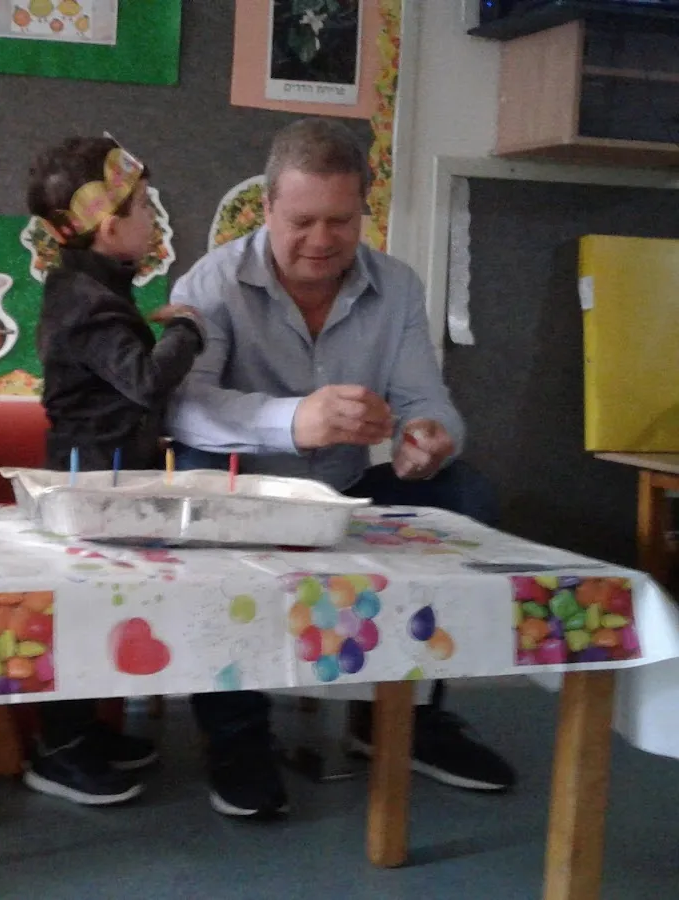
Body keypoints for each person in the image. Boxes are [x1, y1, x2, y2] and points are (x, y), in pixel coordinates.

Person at [165, 117, 516, 820]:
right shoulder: (213, 281)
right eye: (302, 221)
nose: (322, 240)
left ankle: (402, 715)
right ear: (266, 209)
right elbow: (182, 408)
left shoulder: (398, 286)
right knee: (198, 482)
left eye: (341, 220)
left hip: (345, 494)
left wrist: (428, 440)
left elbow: (429, 402)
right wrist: (294, 420)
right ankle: (236, 734)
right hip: (244, 495)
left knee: (465, 493)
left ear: (364, 211)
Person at [24, 135, 205, 805]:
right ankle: (59, 748)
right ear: (107, 227)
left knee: (105, 607)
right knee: (78, 610)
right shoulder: (86, 301)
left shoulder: (94, 289)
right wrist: (186, 330)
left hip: (107, 474)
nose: (155, 217)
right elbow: (144, 381)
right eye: (145, 207)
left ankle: (82, 732)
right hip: (90, 480)